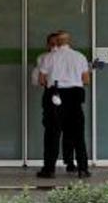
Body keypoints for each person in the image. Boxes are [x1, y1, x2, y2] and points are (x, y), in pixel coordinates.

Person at [36, 31, 90, 179]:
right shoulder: (80, 57)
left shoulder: (49, 57)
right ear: (68, 41)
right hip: (75, 96)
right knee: (78, 134)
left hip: (56, 95)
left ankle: (49, 169)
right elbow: (86, 80)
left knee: (52, 134)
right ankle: (83, 169)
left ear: (57, 42)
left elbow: (42, 80)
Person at [32, 32, 76, 173]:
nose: (55, 47)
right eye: (52, 44)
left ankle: (70, 162)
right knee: (52, 132)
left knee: (69, 131)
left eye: (57, 43)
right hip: (52, 95)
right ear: (47, 45)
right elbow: (36, 79)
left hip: (67, 95)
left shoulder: (73, 57)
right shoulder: (44, 58)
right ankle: (49, 166)